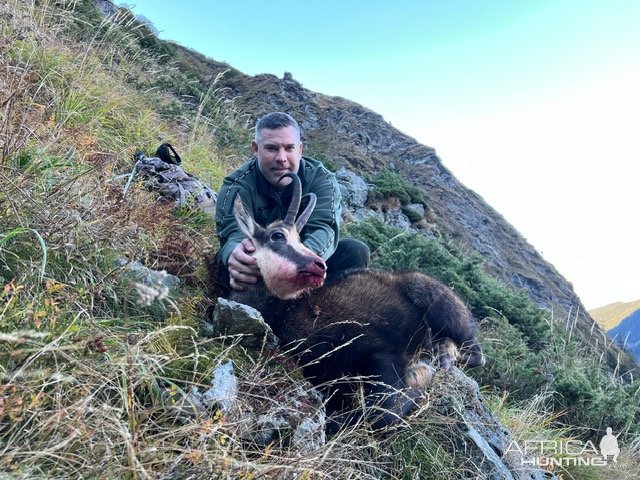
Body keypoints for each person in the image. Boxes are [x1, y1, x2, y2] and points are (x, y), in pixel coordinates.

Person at [214, 112, 369, 294]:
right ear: (256, 149)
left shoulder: (322, 180)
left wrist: (298, 262)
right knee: (228, 265)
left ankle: (324, 312)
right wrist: (235, 253)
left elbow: (324, 229)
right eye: (271, 148)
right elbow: (233, 235)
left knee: (355, 251)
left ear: (300, 150)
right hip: (260, 263)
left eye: (289, 148)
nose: (281, 158)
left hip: (304, 262)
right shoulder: (237, 185)